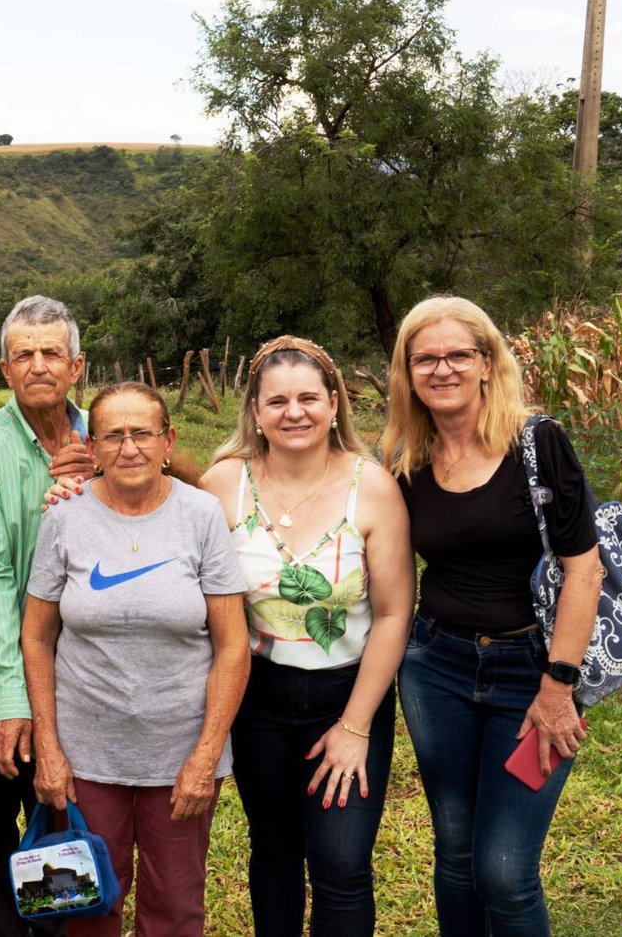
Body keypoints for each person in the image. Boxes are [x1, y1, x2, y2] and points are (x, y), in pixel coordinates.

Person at [383, 296, 602, 937]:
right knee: (454, 850)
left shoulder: (536, 444)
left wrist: (558, 686)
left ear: (487, 362)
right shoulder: (405, 459)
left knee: (505, 870)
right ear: (407, 372)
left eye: (459, 354)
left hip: (532, 671)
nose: (442, 369)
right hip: (436, 668)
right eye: (426, 358)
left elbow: (584, 570)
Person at [198, 336, 414, 937]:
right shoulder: (224, 484)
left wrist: (355, 726)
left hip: (346, 698)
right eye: (277, 401)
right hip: (257, 698)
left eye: (309, 398)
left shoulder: (372, 487)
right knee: (273, 849)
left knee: (341, 862)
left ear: (334, 403)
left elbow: (394, 614)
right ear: (256, 411)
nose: (294, 412)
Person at [23, 381, 249, 937]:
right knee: (84, 902)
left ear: (168, 441)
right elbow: (37, 638)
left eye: (142, 434)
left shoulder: (201, 515)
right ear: (91, 447)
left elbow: (232, 644)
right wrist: (48, 747)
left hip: (179, 751)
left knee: (175, 903)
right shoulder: (64, 516)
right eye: (113, 436)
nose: (129, 448)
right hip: (85, 753)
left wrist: (206, 757)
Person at [0, 295, 94, 937]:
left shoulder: (106, 435)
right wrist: (12, 694)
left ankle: (56, 925)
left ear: (76, 367)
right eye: (24, 354)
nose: (38, 366)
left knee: (62, 808)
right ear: (4, 370)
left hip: (86, 661)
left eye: (51, 353)